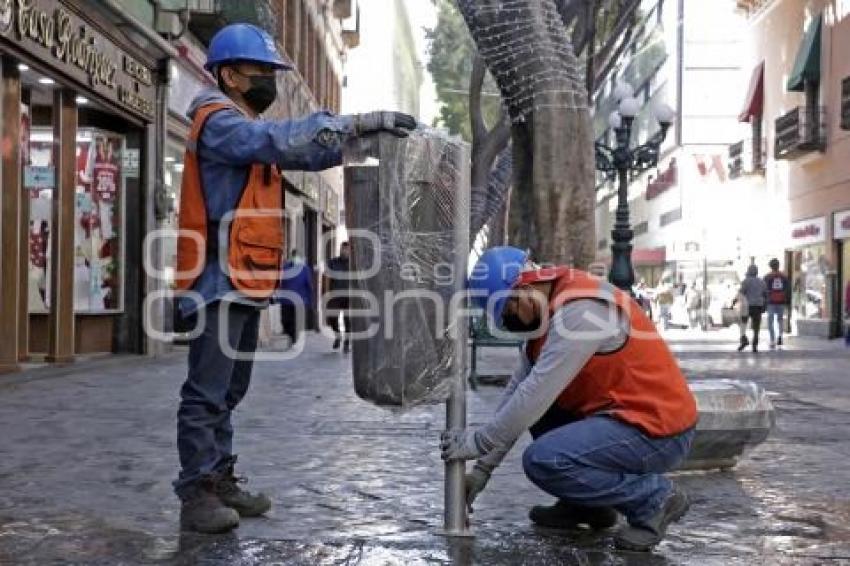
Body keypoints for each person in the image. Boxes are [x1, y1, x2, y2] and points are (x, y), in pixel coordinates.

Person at [172, 24, 416, 534]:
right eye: (260, 72)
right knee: (206, 391)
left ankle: (219, 477)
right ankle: (196, 492)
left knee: (230, 390)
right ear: (230, 75)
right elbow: (273, 140)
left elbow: (297, 150)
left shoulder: (242, 119)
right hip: (215, 281)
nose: (268, 80)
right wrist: (354, 123)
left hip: (242, 278)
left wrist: (360, 137)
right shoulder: (218, 120)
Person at [443, 247, 697, 552]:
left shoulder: (581, 312)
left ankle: (655, 500)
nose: (509, 323)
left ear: (523, 290)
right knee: (544, 415)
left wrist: (478, 443)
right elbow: (516, 393)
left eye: (508, 312)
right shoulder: (548, 311)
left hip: (658, 430)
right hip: (621, 417)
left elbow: (535, 393)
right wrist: (482, 471)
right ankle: (587, 505)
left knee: (544, 459)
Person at [276, 249, 314, 347]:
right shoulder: (285, 268)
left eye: (298, 256)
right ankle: (290, 336)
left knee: (295, 321)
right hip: (286, 300)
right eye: (294, 256)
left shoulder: (305, 269)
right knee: (285, 321)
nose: (296, 258)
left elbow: (309, 285)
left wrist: (310, 300)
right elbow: (280, 282)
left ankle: (293, 339)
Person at [323, 241, 352, 353]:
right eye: (343, 249)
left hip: (349, 296)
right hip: (335, 294)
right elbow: (327, 277)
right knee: (332, 318)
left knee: (348, 320)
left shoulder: (353, 264)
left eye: (347, 249)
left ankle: (347, 343)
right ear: (340, 249)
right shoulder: (332, 262)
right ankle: (338, 335)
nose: (345, 251)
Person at [732, 264, 767, 352]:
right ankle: (755, 344)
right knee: (756, 326)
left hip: (747, 306)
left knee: (743, 324)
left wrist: (734, 302)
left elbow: (741, 293)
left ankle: (744, 340)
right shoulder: (762, 282)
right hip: (758, 306)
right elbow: (765, 295)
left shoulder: (746, 281)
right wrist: (765, 306)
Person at [763, 258, 790, 349]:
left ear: (771, 266)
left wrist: (764, 301)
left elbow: (764, 290)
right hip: (781, 301)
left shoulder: (767, 277)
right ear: (778, 266)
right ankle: (780, 337)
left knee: (770, 321)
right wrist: (787, 301)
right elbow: (787, 289)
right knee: (780, 320)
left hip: (771, 302)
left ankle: (772, 339)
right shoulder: (784, 276)